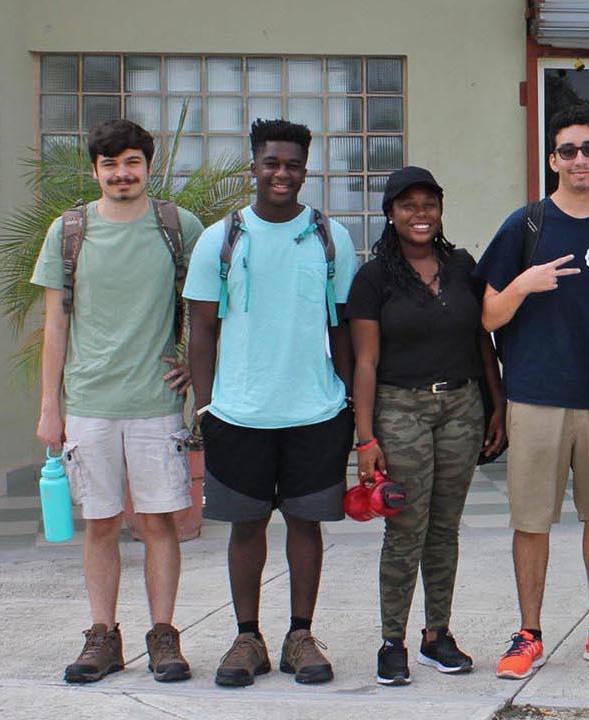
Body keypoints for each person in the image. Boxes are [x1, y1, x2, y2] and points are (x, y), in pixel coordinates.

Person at [475, 104, 589, 679]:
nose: (580, 159)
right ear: (553, 159)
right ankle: (529, 633)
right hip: (535, 398)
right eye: (568, 150)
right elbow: (489, 318)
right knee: (532, 520)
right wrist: (525, 282)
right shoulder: (524, 225)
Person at [185, 119, 358, 687]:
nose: (282, 173)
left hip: (316, 411)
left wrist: (351, 403)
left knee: (306, 525)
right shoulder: (222, 238)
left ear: (305, 171)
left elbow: (343, 331)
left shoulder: (331, 238)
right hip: (239, 414)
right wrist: (207, 408)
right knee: (246, 526)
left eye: (293, 165)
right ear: (253, 168)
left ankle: (299, 636)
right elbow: (202, 330)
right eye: (271, 163)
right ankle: (246, 638)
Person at [32, 118, 203, 685]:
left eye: (131, 162)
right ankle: (102, 635)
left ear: (148, 166)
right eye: (110, 164)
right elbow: (54, 325)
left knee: (159, 522)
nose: (121, 174)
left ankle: (163, 636)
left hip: (155, 402)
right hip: (88, 403)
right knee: (100, 525)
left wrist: (197, 366)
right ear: (95, 170)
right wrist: (49, 408)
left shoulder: (179, 226)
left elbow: (209, 310)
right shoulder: (69, 230)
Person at [348, 166, 507, 685]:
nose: (421, 215)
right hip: (400, 409)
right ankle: (391, 640)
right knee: (405, 530)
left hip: (462, 407)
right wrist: (366, 436)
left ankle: (437, 635)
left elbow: (482, 338)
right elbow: (365, 363)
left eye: (429, 204)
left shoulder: (461, 265)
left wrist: (496, 402)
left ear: (440, 210)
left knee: (444, 531)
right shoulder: (373, 279)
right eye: (408, 205)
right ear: (390, 214)